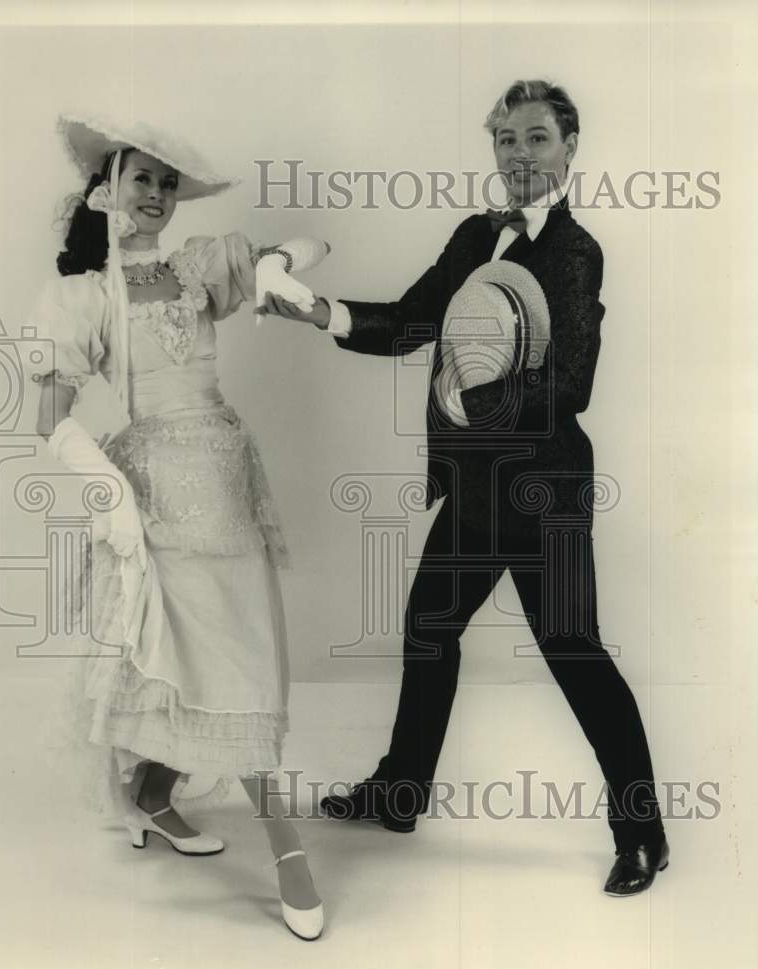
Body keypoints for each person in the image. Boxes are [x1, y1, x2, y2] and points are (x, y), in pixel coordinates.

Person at [257, 80, 670, 897]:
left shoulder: (574, 251)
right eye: (506, 139)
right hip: (475, 489)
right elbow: (414, 320)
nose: (520, 154)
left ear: (569, 147)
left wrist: (465, 401)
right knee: (428, 627)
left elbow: (570, 382)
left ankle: (643, 834)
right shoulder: (474, 236)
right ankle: (400, 794)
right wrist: (322, 312)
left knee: (571, 652)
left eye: (537, 138)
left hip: (541, 492)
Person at [34, 114, 327, 939]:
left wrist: (274, 265)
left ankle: (154, 794)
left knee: (236, 658)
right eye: (143, 180)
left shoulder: (198, 267)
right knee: (208, 663)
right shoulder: (84, 294)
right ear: (110, 187)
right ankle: (288, 853)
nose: (158, 195)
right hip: (155, 495)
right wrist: (109, 496)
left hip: (228, 484)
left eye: (169, 182)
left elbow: (312, 247)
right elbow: (49, 419)